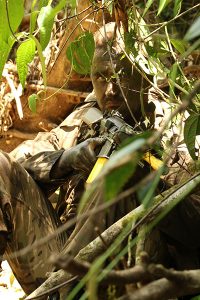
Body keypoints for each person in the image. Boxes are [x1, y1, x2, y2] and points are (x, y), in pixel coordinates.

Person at [2, 21, 200, 297]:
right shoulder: (87, 118)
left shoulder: (172, 128)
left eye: (120, 76)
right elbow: (17, 163)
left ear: (144, 74)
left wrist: (144, 180)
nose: (110, 90)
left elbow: (195, 228)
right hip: (57, 266)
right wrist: (67, 160)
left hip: (133, 276)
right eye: (101, 77)